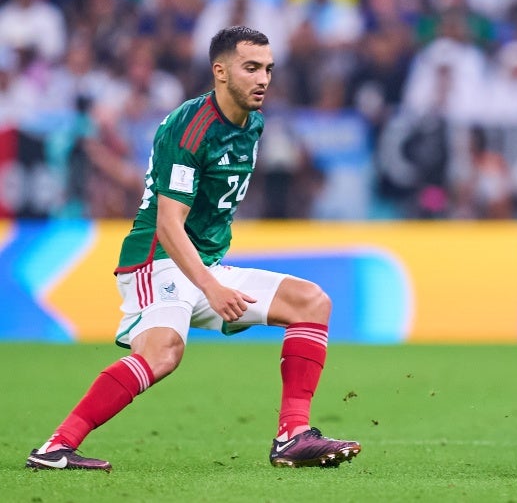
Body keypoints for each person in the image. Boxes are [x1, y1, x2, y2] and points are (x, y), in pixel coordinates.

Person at [26, 26, 361, 471]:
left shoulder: (253, 124)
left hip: (202, 265)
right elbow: (168, 224)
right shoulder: (191, 127)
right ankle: (56, 447)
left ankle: (292, 436)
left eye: (268, 69)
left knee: (310, 302)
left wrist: (209, 276)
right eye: (251, 68)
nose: (263, 79)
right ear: (220, 72)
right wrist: (210, 286)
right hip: (157, 260)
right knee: (162, 354)